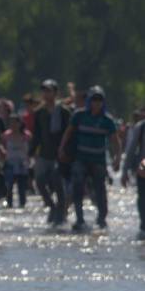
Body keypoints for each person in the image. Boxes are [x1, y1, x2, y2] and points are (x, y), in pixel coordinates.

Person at [59, 86, 121, 231]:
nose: (97, 103)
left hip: (98, 160)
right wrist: (61, 149)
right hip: (80, 158)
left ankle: (101, 219)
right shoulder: (79, 116)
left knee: (100, 190)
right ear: (89, 101)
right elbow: (68, 133)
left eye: (99, 100)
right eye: (94, 99)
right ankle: (79, 219)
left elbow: (115, 141)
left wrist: (117, 158)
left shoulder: (107, 120)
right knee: (77, 187)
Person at [30, 79, 72, 226]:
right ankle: (52, 207)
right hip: (44, 153)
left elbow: (69, 132)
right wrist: (30, 153)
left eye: (49, 90)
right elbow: (36, 135)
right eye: (44, 91)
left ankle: (61, 212)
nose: (46, 94)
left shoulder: (64, 111)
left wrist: (67, 151)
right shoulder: (39, 112)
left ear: (55, 92)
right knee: (39, 181)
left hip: (59, 153)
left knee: (57, 181)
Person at [121, 114, 145, 239]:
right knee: (142, 199)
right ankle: (143, 226)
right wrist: (124, 172)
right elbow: (130, 150)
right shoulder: (140, 127)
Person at [2, 113, 31, 208]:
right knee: (8, 186)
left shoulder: (26, 135)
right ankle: (9, 204)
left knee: (21, 188)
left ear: (20, 123)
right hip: (10, 163)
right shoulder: (6, 135)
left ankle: (22, 204)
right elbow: (2, 148)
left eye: (15, 122)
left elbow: (31, 149)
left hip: (22, 165)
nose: (13, 125)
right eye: (11, 122)